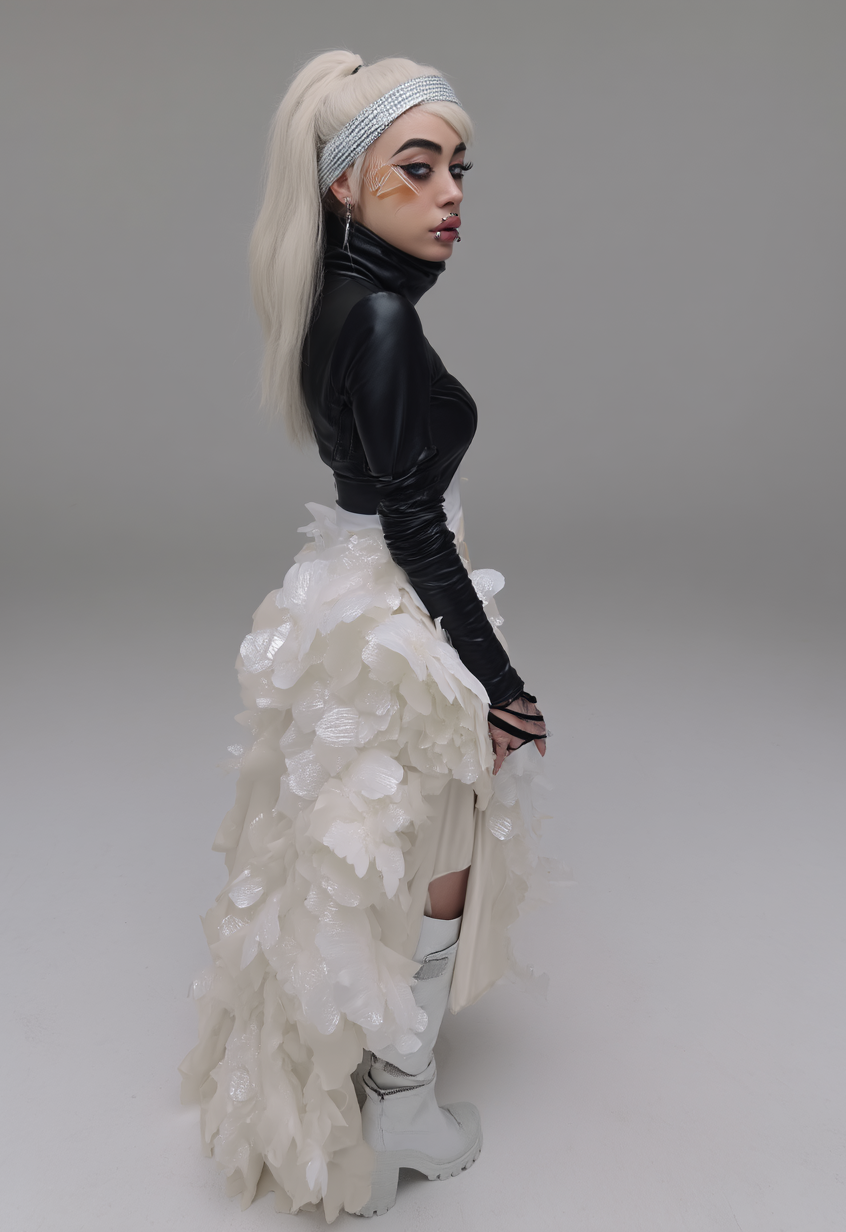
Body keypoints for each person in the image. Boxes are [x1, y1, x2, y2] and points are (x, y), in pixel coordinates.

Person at [180, 51, 550, 1221]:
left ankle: (381, 1093)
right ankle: (402, 1110)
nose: (450, 195)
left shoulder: (336, 300)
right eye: (417, 167)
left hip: (349, 590)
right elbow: (412, 521)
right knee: (435, 844)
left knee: (370, 838)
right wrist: (501, 679)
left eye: (458, 170)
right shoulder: (381, 316)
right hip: (395, 602)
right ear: (344, 183)